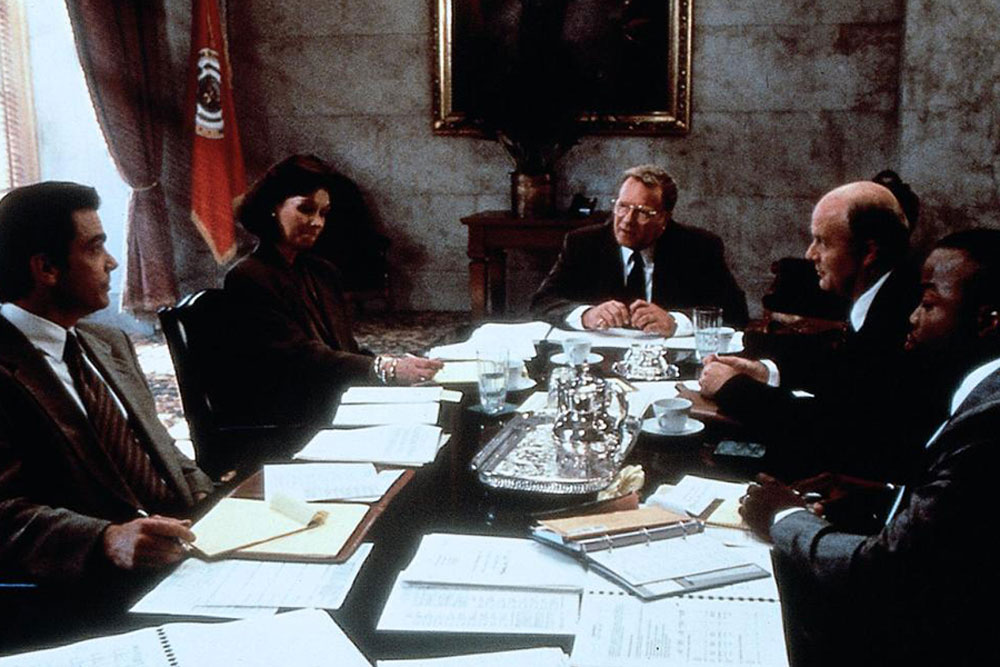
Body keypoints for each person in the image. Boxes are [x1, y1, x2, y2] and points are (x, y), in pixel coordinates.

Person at [739, 229, 1000, 665]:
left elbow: (883, 570)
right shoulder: (984, 395)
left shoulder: (989, 421)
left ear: (988, 320)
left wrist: (783, 517)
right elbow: (955, 517)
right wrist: (881, 497)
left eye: (929, 304)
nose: (912, 318)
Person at [0, 182, 213, 584]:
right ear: (46, 269)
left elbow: (158, 443)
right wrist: (106, 540)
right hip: (96, 581)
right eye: (95, 248)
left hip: (186, 545)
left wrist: (204, 496)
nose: (112, 263)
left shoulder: (108, 342)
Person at [698, 181, 939, 480]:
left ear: (869, 252)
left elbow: (835, 427)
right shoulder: (888, 294)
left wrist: (732, 387)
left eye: (822, 242)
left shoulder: (902, 318)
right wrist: (764, 372)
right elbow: (841, 374)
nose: (810, 254)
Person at [224, 154, 442, 427]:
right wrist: (383, 369)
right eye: (306, 209)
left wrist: (391, 364)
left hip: (331, 403)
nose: (317, 222)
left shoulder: (322, 272)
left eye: (323, 213)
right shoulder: (249, 277)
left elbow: (343, 348)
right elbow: (299, 358)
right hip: (290, 418)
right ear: (273, 207)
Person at [530, 164, 748, 335]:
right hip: (601, 359)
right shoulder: (583, 243)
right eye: (622, 206)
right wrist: (587, 315)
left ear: (663, 218)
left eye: (642, 212)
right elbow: (542, 302)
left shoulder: (699, 246)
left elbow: (736, 313)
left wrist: (675, 322)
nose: (627, 220)